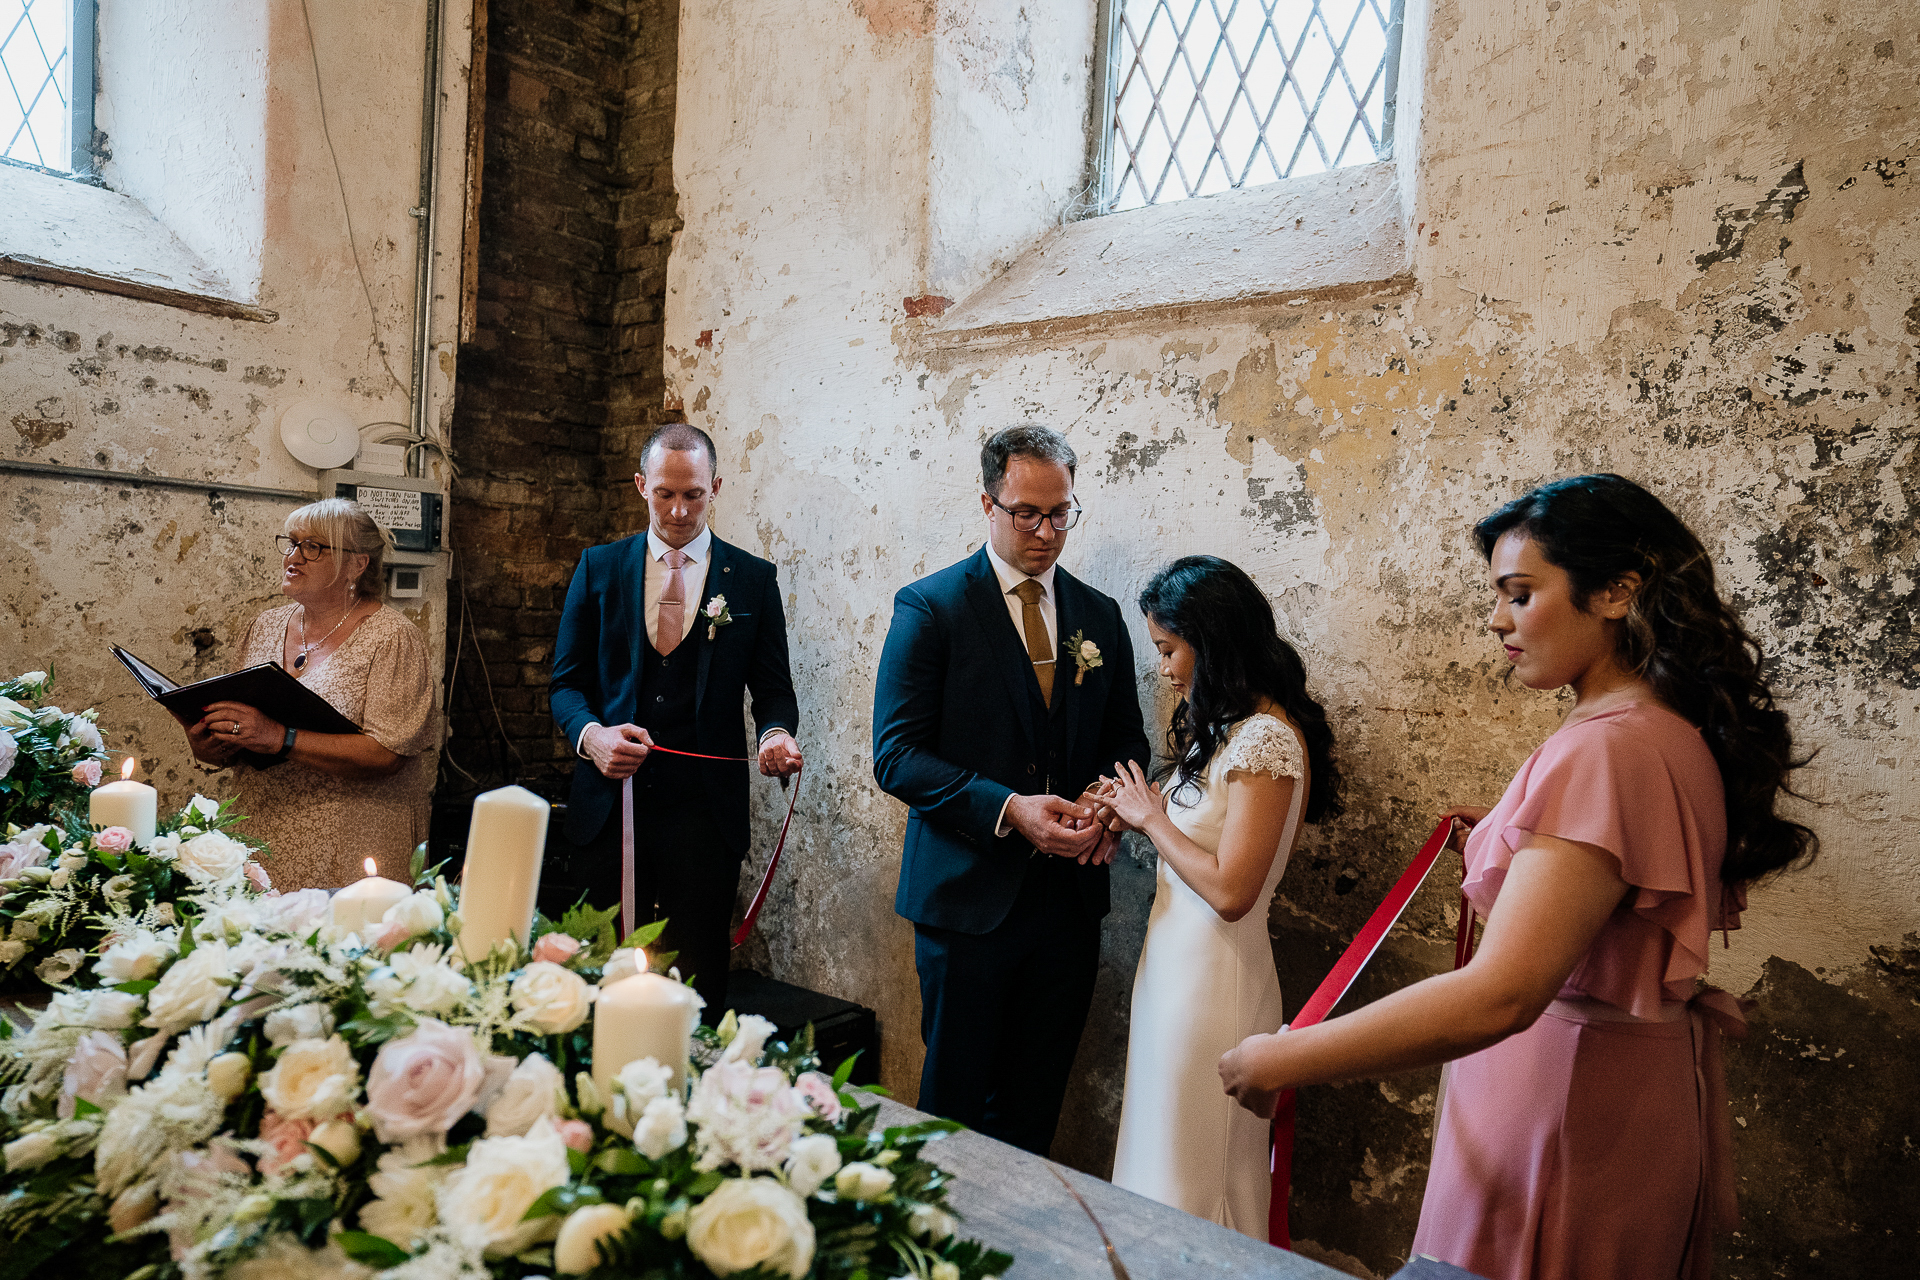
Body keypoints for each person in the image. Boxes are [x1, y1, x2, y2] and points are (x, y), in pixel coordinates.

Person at [1217, 474, 1816, 1280]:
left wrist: (1282, 1058)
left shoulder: (1607, 749)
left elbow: (1503, 992)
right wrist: (1514, 841)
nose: (1497, 620)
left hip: (1566, 1119)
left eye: (1520, 594)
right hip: (1618, 1104)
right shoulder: (1664, 730)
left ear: (1615, 591)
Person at [872, 424, 1151, 1156]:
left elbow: (1127, 739)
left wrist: (1106, 806)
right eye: (1027, 512)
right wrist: (1007, 809)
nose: (1046, 531)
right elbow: (896, 756)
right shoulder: (930, 607)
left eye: (1061, 512)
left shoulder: (1100, 616)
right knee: (953, 1110)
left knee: (1033, 1110)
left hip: (1067, 909)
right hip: (966, 905)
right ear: (988, 503)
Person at [1098, 555, 1341, 1238]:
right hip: (1171, 971)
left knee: (1199, 1164)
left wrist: (1151, 818)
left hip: (1216, 978)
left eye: (1171, 649)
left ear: (1215, 640)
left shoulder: (1267, 739)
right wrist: (1126, 808)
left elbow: (1233, 890)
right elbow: (1193, 838)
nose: (1165, 668)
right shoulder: (1225, 729)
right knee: (1162, 1148)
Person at [549, 422, 801, 1019]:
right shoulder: (599, 567)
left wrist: (775, 735)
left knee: (697, 988)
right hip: (608, 812)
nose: (680, 510)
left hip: (704, 819)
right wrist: (592, 736)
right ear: (641, 485)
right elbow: (566, 685)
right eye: (665, 493)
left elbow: (773, 690)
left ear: (716, 487)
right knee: (597, 981)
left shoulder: (754, 581)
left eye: (694, 495)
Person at [182, 498, 438, 889]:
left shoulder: (391, 637)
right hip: (262, 832)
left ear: (357, 564)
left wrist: (279, 737)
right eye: (292, 542)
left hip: (350, 840)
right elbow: (244, 725)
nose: (294, 556)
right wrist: (213, 743)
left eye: (313, 547)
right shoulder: (265, 625)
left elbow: (388, 755)